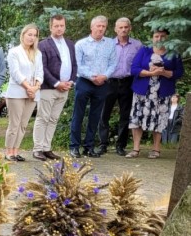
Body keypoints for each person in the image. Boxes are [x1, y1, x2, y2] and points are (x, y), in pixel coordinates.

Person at [126, 28, 184, 159]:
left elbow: (179, 72)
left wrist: (164, 72)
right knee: (137, 119)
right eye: (156, 36)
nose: (159, 39)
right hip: (142, 91)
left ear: (167, 38)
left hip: (162, 93)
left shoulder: (173, 53)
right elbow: (134, 69)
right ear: (152, 37)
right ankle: (136, 149)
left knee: (159, 120)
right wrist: (150, 73)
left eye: (162, 36)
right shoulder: (144, 50)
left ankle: (156, 149)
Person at [69, 15, 116, 158]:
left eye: (103, 26)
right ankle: (74, 146)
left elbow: (113, 63)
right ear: (91, 27)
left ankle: (89, 147)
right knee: (79, 114)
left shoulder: (110, 44)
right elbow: (78, 64)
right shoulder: (81, 44)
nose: (101, 29)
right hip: (84, 82)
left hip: (102, 83)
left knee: (95, 116)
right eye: (98, 26)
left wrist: (105, 76)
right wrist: (92, 77)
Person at [34, 14, 77, 161]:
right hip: (48, 88)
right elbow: (42, 68)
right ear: (50, 27)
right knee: (43, 118)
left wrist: (71, 81)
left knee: (53, 119)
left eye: (62, 26)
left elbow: (74, 65)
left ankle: (47, 148)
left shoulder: (70, 44)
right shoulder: (43, 45)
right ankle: (37, 149)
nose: (59, 29)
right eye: (56, 26)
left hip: (65, 89)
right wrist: (57, 83)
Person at [96, 17, 142, 155]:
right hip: (110, 82)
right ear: (115, 29)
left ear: (130, 28)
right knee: (104, 114)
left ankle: (120, 146)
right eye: (120, 27)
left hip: (128, 82)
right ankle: (103, 144)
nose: (123, 30)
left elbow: (140, 64)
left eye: (125, 27)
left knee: (125, 115)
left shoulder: (137, 45)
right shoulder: (107, 44)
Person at [3, 24, 43, 162]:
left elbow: (40, 73)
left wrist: (35, 87)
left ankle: (16, 150)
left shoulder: (38, 54)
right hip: (17, 93)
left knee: (23, 124)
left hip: (32, 94)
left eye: (34, 35)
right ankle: (9, 152)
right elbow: (15, 73)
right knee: (14, 124)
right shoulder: (14, 52)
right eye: (29, 34)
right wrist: (28, 87)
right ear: (23, 35)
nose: (32, 37)